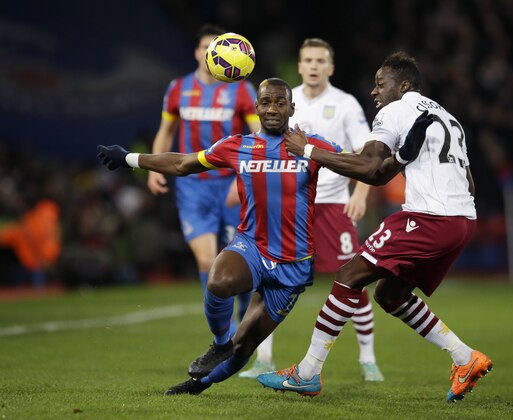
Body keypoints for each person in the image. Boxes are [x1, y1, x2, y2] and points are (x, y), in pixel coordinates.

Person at [257, 52, 493, 403]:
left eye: (381, 83)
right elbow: (462, 184)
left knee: (349, 274)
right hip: (462, 221)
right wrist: (398, 162)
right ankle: (465, 357)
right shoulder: (447, 117)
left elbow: (367, 167)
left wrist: (307, 150)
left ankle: (307, 373)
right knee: (389, 295)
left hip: (429, 218)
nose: (374, 91)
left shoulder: (396, 110)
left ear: (404, 86)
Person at [98, 78, 357, 396]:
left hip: (294, 265)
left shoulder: (311, 145)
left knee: (244, 348)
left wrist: (390, 159)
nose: (272, 108)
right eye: (266, 102)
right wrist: (129, 158)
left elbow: (360, 165)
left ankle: (200, 384)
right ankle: (219, 343)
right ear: (257, 108)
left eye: (279, 102)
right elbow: (182, 163)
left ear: (292, 108)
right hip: (251, 246)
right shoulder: (238, 145)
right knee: (219, 279)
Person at [238, 38, 383, 382]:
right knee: (267, 280)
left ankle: (368, 357)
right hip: (287, 207)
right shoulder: (282, 99)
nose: (314, 65)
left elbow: (365, 153)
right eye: (308, 60)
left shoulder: (345, 104)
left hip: (333, 205)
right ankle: (262, 357)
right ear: (300, 66)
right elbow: (255, 151)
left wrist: (360, 193)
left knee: (355, 279)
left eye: (320, 60)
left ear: (330, 67)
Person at [147, 24, 260, 325]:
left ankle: (244, 314)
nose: (211, 53)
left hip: (230, 185)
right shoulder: (178, 88)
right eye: (206, 48)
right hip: (193, 185)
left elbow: (259, 137)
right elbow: (166, 131)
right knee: (207, 260)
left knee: (241, 263)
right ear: (198, 52)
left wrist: (246, 179)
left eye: (218, 47)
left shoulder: (242, 90)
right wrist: (154, 168)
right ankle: (226, 331)